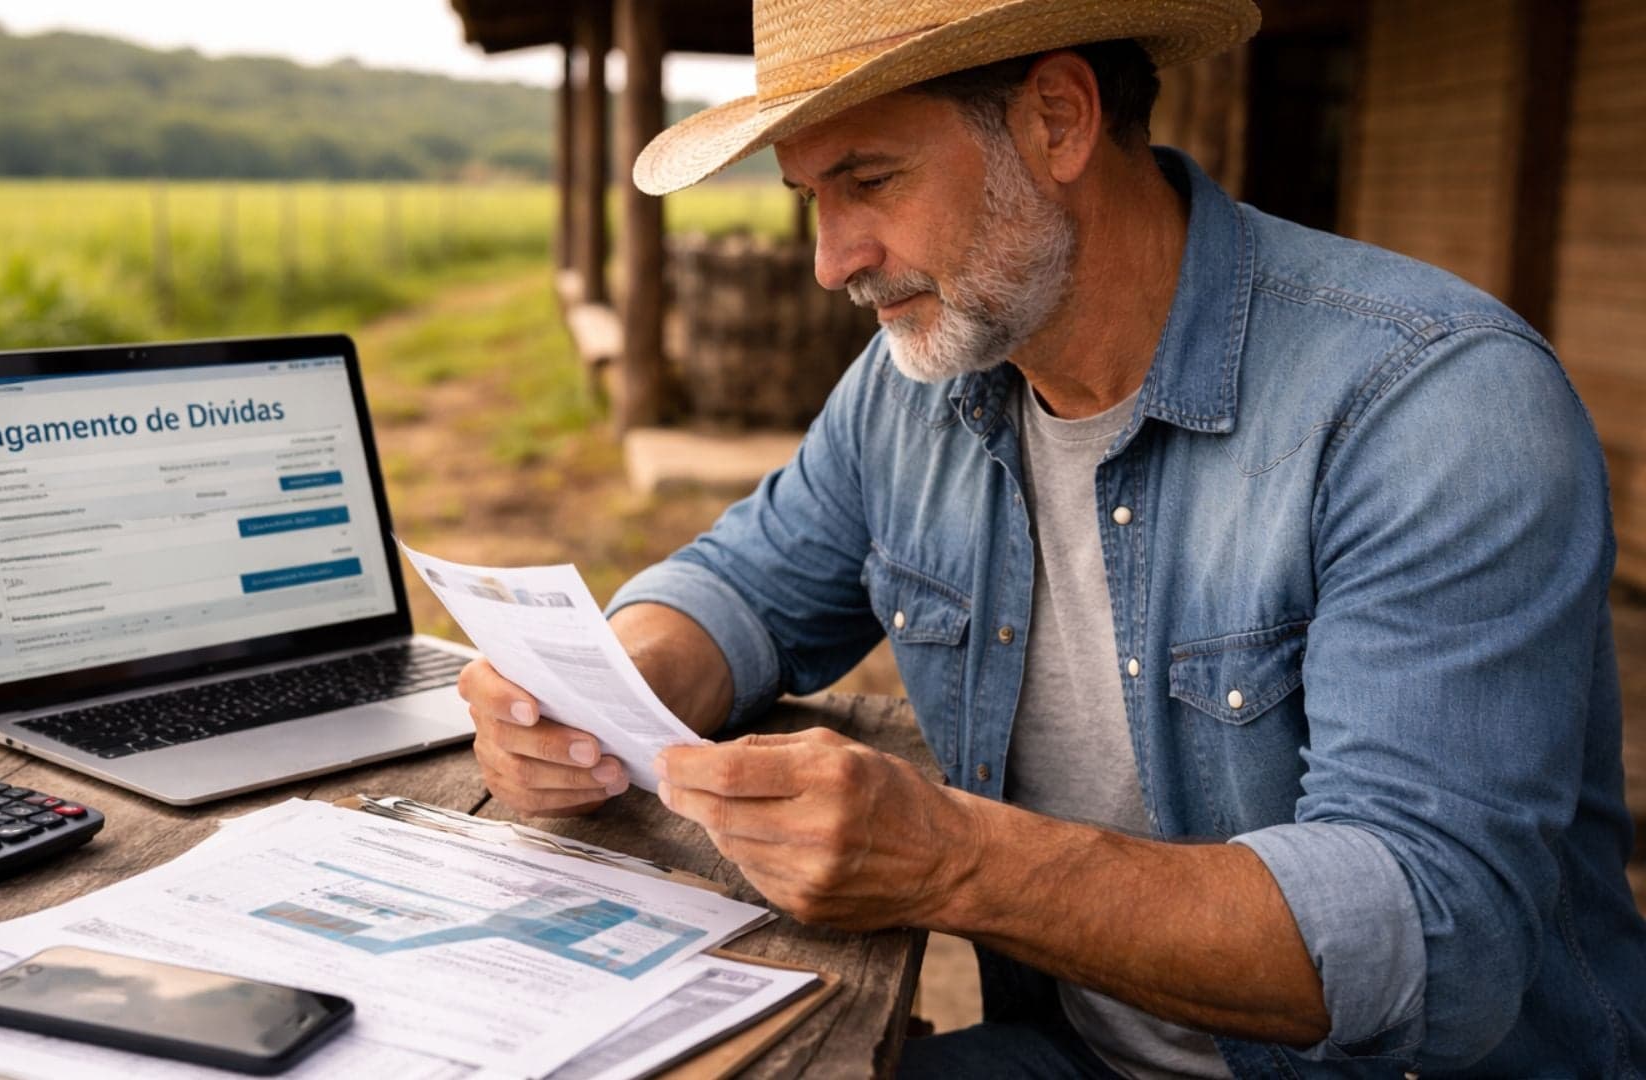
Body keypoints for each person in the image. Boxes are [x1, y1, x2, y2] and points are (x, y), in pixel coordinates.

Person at [457, 0, 1646, 1075]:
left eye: (870, 180)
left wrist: (955, 861)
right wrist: (602, 686)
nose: (833, 264)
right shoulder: (916, 383)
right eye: (812, 199)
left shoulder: (1430, 404)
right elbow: (743, 579)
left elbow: (1430, 942)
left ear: (1060, 120)